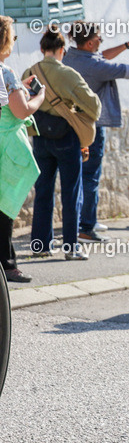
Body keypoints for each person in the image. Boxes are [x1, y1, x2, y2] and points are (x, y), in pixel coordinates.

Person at [63, 21, 129, 242]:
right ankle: (86, 228)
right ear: (91, 42)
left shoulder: (70, 57)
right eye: (99, 39)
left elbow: (101, 55)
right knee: (91, 176)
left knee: (78, 175)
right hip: (92, 126)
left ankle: (86, 221)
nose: (101, 42)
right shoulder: (96, 66)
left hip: (70, 123)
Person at [26, 27, 101, 261]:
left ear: (41, 48)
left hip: (39, 136)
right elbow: (95, 108)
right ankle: (71, 247)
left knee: (43, 192)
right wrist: (73, 109)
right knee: (71, 192)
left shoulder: (30, 72)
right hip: (66, 138)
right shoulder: (69, 74)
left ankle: (40, 245)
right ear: (62, 50)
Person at [0, 15, 44, 282]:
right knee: (5, 204)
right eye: (13, 37)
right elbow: (20, 110)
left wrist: (21, 88)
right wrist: (39, 96)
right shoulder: (5, 72)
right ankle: (7, 265)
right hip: (7, 147)